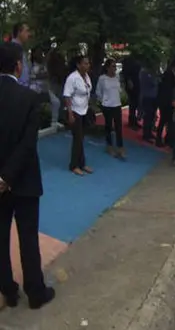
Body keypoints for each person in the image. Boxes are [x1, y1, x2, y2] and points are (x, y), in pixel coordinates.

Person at [0, 43, 56, 309]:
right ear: (18, 66)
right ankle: (35, 291)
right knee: (28, 237)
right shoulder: (29, 98)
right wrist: (8, 176)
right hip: (23, 180)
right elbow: (27, 144)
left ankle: (7, 290)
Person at [63, 55, 94, 176]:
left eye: (88, 63)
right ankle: (74, 165)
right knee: (77, 139)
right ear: (78, 65)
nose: (87, 66)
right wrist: (70, 114)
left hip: (84, 110)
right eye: (85, 63)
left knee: (81, 138)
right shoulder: (72, 78)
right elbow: (67, 96)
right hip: (75, 111)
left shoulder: (86, 77)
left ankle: (82, 163)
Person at [97, 59, 125, 158]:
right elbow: (98, 92)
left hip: (117, 105)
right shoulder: (102, 78)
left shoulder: (116, 77)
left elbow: (119, 90)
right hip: (107, 106)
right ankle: (109, 146)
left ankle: (120, 147)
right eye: (112, 66)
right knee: (108, 126)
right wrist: (103, 101)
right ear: (107, 67)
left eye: (115, 67)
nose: (114, 68)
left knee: (119, 127)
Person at [156, 60, 175, 147]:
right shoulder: (169, 74)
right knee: (164, 120)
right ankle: (159, 140)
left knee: (169, 121)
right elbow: (171, 87)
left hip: (167, 101)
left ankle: (167, 139)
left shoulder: (170, 74)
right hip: (166, 101)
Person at [139, 62, 159, 143]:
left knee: (152, 116)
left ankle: (149, 132)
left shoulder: (151, 73)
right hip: (147, 97)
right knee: (148, 116)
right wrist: (156, 76)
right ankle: (146, 134)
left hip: (153, 97)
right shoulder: (145, 73)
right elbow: (154, 82)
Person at [121, 55, 141, 129]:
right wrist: (129, 81)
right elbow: (126, 73)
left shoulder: (136, 60)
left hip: (136, 83)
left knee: (135, 104)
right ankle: (132, 122)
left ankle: (134, 121)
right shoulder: (130, 60)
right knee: (133, 104)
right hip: (132, 85)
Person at [9, 23, 31, 88]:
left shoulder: (20, 49)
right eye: (27, 31)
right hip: (18, 90)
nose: (29, 34)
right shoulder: (12, 49)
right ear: (19, 32)